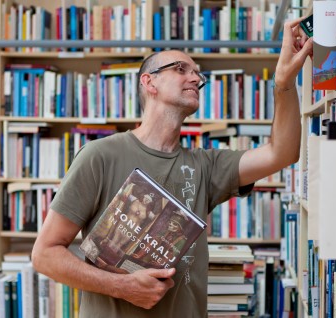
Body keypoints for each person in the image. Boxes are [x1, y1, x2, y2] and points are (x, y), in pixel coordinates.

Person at [32, 16, 313, 318]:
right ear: (149, 81)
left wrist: (284, 82)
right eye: (181, 69)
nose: (195, 78)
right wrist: (122, 286)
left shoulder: (205, 165)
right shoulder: (99, 156)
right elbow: (45, 255)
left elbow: (280, 154)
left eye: (198, 75)